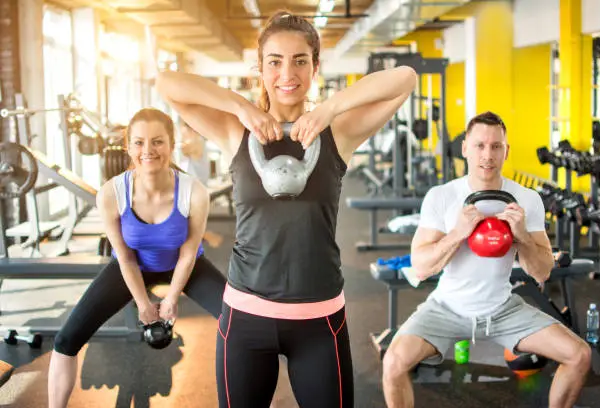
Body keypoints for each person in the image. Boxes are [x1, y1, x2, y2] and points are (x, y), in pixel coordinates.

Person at [156, 10, 417, 408]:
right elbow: (167, 83)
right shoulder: (235, 132)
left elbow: (405, 79)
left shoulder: (338, 133)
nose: (286, 73)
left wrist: (330, 108)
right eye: (274, 61)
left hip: (319, 319)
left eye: (300, 60)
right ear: (260, 68)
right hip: (245, 317)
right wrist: (241, 107)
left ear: (315, 67)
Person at [382, 111, 592, 408]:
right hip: (446, 308)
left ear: (506, 151)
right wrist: (457, 233)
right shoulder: (442, 196)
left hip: (502, 308)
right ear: (465, 147)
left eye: (496, 146)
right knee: (393, 363)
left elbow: (542, 272)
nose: (487, 155)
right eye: (480, 145)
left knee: (579, 355)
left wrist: (521, 236)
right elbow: (420, 266)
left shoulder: (526, 199)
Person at [48, 108, 227, 408]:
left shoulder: (194, 193)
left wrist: (170, 299)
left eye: (157, 142)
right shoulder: (112, 193)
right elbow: (125, 258)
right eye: (139, 143)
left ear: (171, 145)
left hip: (185, 265)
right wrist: (144, 303)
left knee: (244, 329)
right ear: (129, 146)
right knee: (65, 341)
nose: (148, 151)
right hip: (133, 265)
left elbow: (187, 254)